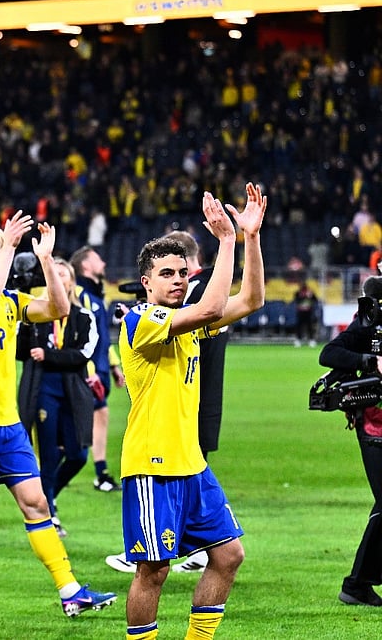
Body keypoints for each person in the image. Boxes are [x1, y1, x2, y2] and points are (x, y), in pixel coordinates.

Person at [0, 214, 116, 621]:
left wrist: (47, 260)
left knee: (36, 505)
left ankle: (70, 592)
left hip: (8, 425)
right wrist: (11, 250)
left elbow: (59, 307)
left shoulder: (13, 301)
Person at [118, 186, 265, 640]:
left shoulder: (188, 322)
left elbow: (251, 300)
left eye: (183, 271)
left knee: (229, 555)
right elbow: (214, 305)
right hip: (152, 465)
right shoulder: (141, 321)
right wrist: (226, 241)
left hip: (192, 464)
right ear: (146, 281)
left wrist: (251, 238)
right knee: (154, 572)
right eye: (167, 273)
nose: (178, 279)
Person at [16, 257, 98, 537]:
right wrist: (25, 325)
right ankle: (49, 510)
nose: (58, 278)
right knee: (48, 455)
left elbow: (83, 354)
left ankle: (49, 495)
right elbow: (19, 352)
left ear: (71, 282)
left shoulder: (84, 316)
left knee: (78, 455)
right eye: (53, 274)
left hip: (73, 389)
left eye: (62, 274)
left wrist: (48, 355)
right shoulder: (34, 317)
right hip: (42, 388)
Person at [318, 276, 382, 607]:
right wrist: (367, 362)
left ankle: (357, 584)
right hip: (374, 427)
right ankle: (356, 584)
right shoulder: (369, 326)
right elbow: (328, 354)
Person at [69, 246, 126, 492]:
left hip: (99, 369)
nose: (103, 262)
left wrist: (114, 365)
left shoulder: (95, 296)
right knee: (73, 422)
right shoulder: (78, 294)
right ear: (86, 266)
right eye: (97, 259)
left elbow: (101, 336)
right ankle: (49, 471)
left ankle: (101, 473)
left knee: (99, 415)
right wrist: (88, 368)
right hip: (85, 371)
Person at [294, 282, 319, 347]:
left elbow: (316, 300)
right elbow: (296, 300)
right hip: (300, 312)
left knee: (310, 327)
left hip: (309, 313)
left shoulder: (310, 293)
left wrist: (310, 296)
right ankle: (298, 340)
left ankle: (311, 340)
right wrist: (302, 296)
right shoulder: (298, 293)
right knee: (299, 327)